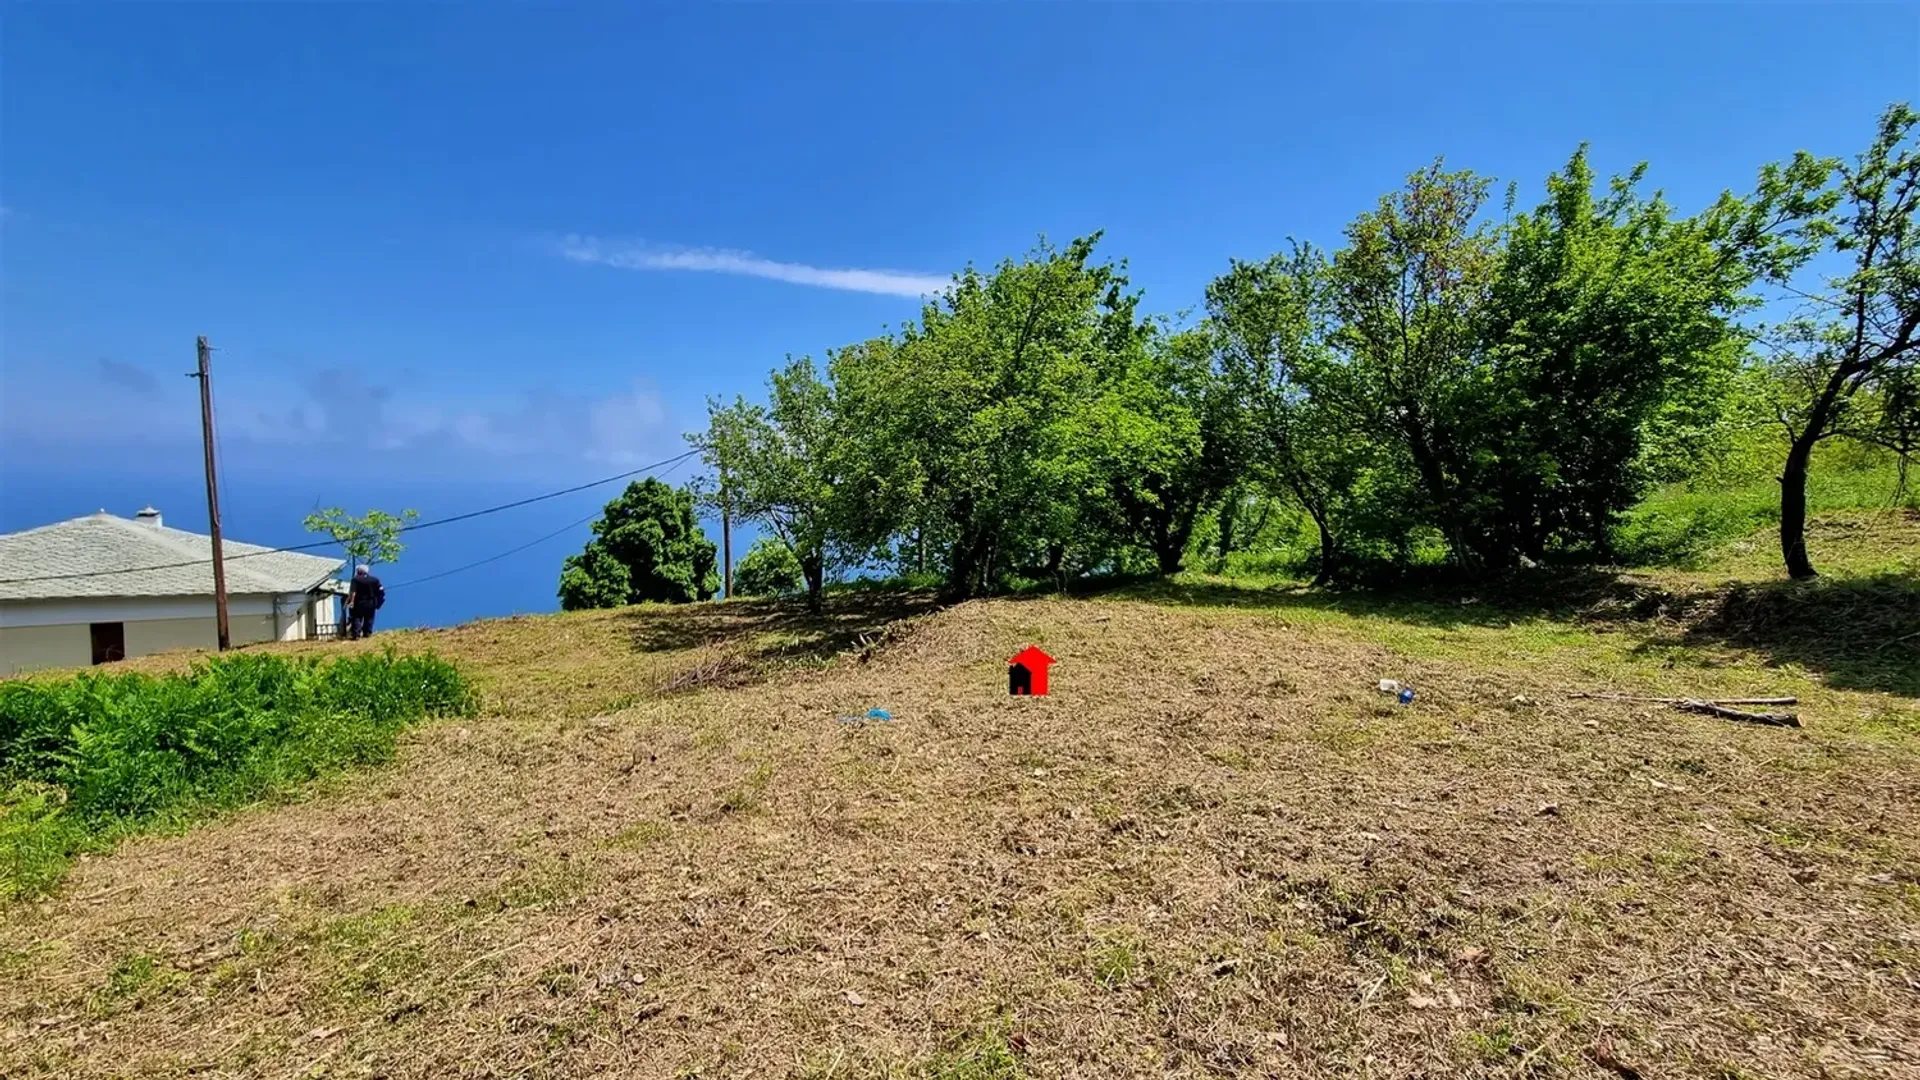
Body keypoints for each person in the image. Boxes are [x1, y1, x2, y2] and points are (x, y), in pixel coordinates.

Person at [346, 564, 385, 640]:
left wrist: (352, 602)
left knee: (357, 618)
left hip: (359, 603)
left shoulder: (355, 580)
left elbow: (353, 592)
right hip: (371, 602)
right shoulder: (375, 580)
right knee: (369, 618)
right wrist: (379, 602)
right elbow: (381, 591)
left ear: (359, 571)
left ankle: (356, 635)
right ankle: (367, 634)